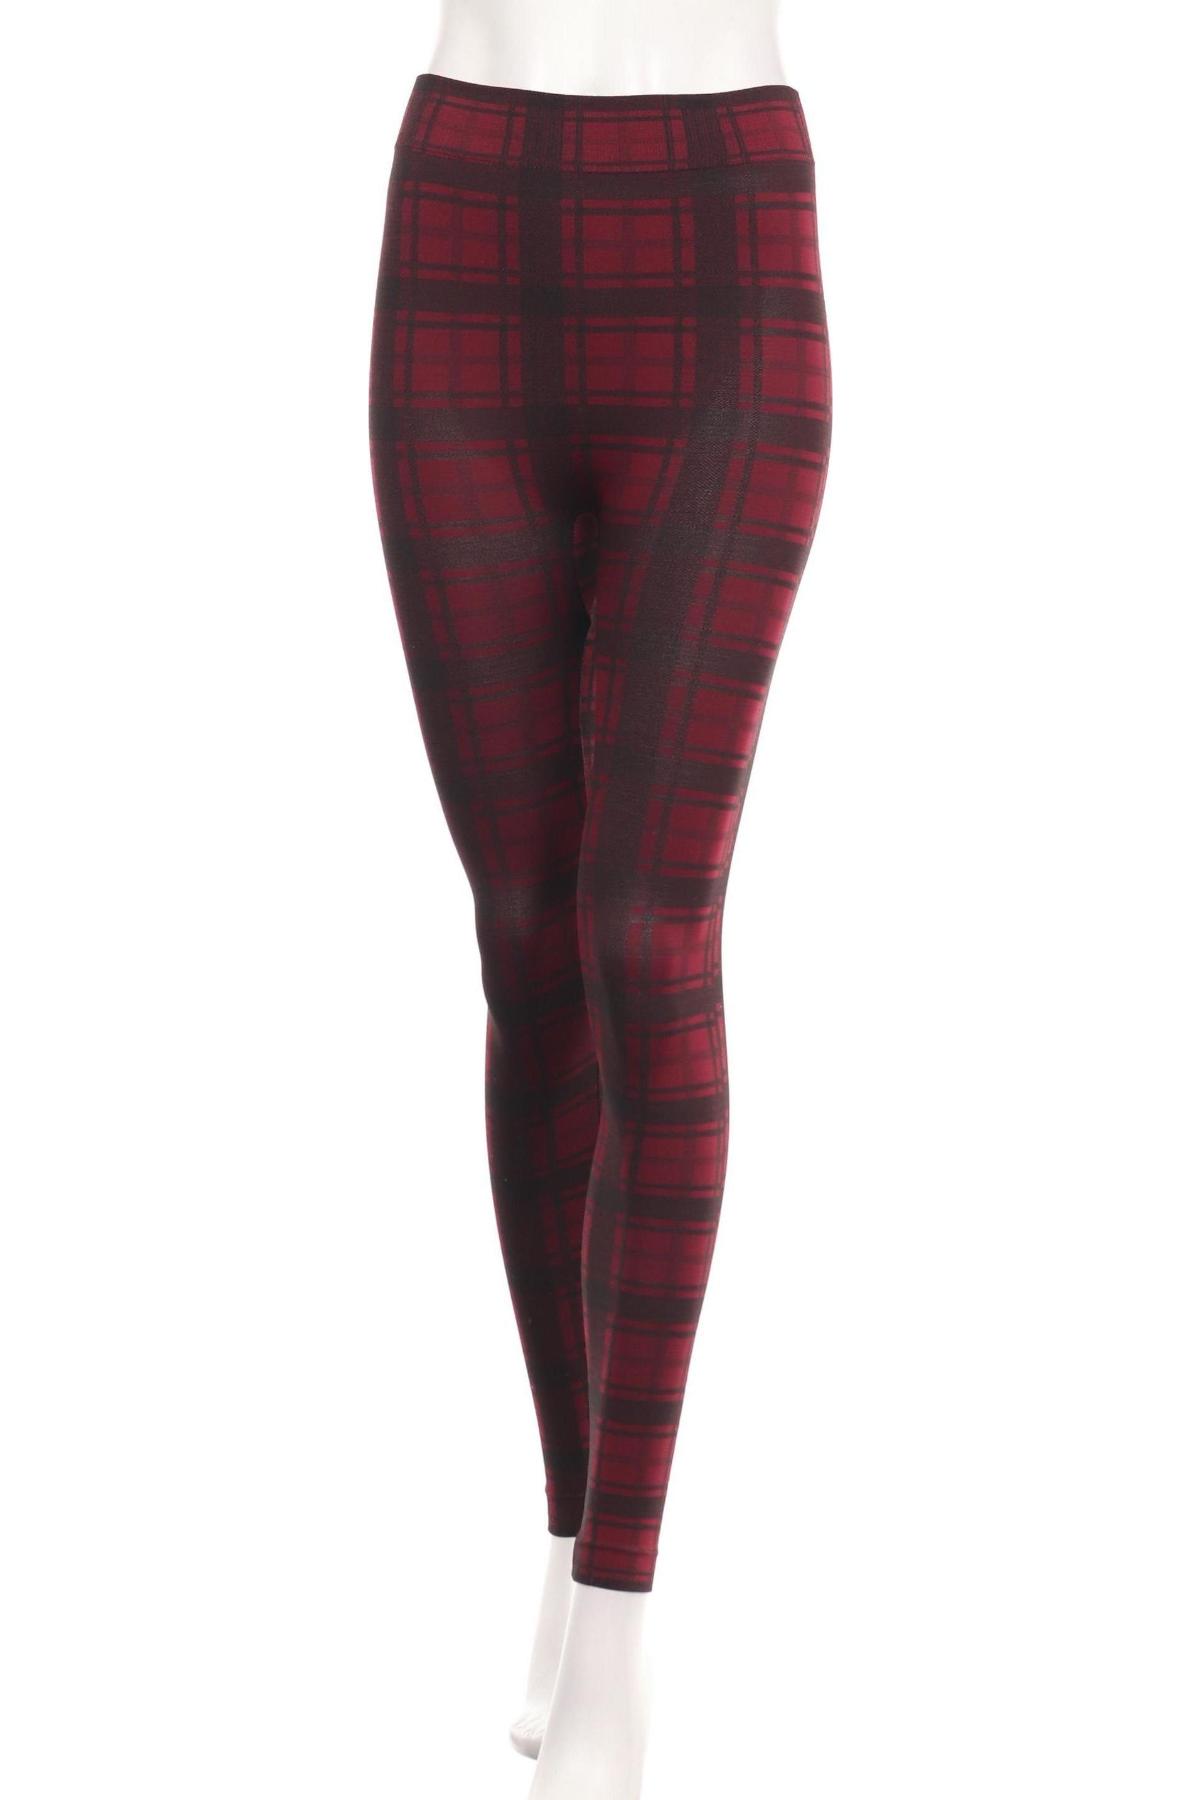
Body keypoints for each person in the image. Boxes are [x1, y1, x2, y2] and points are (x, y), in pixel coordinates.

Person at [368, 4, 832, 1791]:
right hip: (463, 225)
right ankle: (571, 1531)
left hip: (725, 236)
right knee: (530, 946)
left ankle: (623, 1613)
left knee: (650, 928)